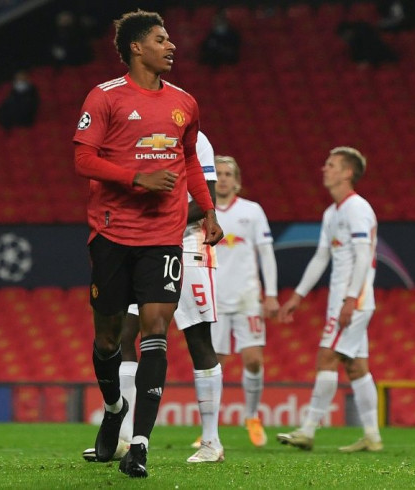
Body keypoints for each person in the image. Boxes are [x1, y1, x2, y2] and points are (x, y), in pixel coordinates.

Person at [73, 10, 224, 478]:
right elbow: (83, 157)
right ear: (137, 47)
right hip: (113, 233)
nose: (171, 46)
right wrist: (136, 177)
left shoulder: (185, 103)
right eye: (161, 40)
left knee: (157, 330)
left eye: (170, 39)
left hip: (164, 235)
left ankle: (139, 444)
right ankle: (115, 406)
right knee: (108, 339)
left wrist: (209, 210)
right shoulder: (105, 98)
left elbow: (189, 161)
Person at [82, 131, 225, 465]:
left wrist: (161, 222)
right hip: (140, 249)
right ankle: (126, 437)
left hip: (187, 248)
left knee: (197, 340)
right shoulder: (132, 138)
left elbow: (206, 199)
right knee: (126, 335)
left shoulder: (196, 139)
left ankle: (212, 442)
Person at [276, 146, 382, 453]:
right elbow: (322, 256)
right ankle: (372, 436)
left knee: (326, 357)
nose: (324, 168)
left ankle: (308, 429)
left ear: (347, 172)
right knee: (356, 368)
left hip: (354, 299)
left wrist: (350, 298)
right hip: (347, 299)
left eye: (331, 164)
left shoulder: (357, 208)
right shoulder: (332, 212)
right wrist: (298, 295)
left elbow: (364, 256)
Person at [195, 154, 279, 449]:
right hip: (215, 297)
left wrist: (271, 294)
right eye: (219, 173)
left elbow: (266, 253)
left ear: (238, 180)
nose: (225, 177)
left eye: (229, 173)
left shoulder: (252, 211)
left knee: (254, 359)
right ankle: (209, 428)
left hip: (246, 297)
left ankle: (253, 417)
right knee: (214, 362)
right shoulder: (202, 211)